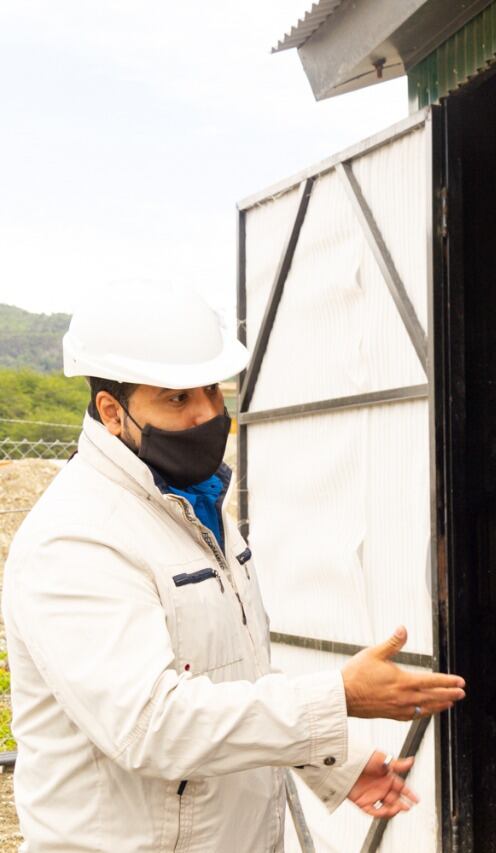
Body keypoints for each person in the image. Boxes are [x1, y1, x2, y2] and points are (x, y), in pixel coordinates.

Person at [2, 282, 466, 850]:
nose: (207, 415)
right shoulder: (76, 540)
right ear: (111, 412)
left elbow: (232, 677)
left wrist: (332, 765)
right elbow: (153, 727)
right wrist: (338, 697)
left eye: (212, 393)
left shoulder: (193, 504)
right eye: (177, 400)